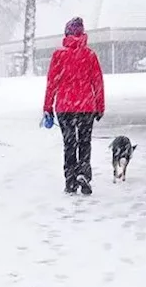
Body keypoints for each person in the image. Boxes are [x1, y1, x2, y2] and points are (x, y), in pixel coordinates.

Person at [42, 16, 105, 195]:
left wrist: (47, 107)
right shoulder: (90, 55)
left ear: (67, 33)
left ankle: (70, 180)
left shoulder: (58, 55)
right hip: (86, 106)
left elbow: (51, 83)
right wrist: (100, 106)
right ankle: (83, 173)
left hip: (65, 107)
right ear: (82, 34)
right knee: (84, 142)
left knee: (69, 144)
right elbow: (97, 82)